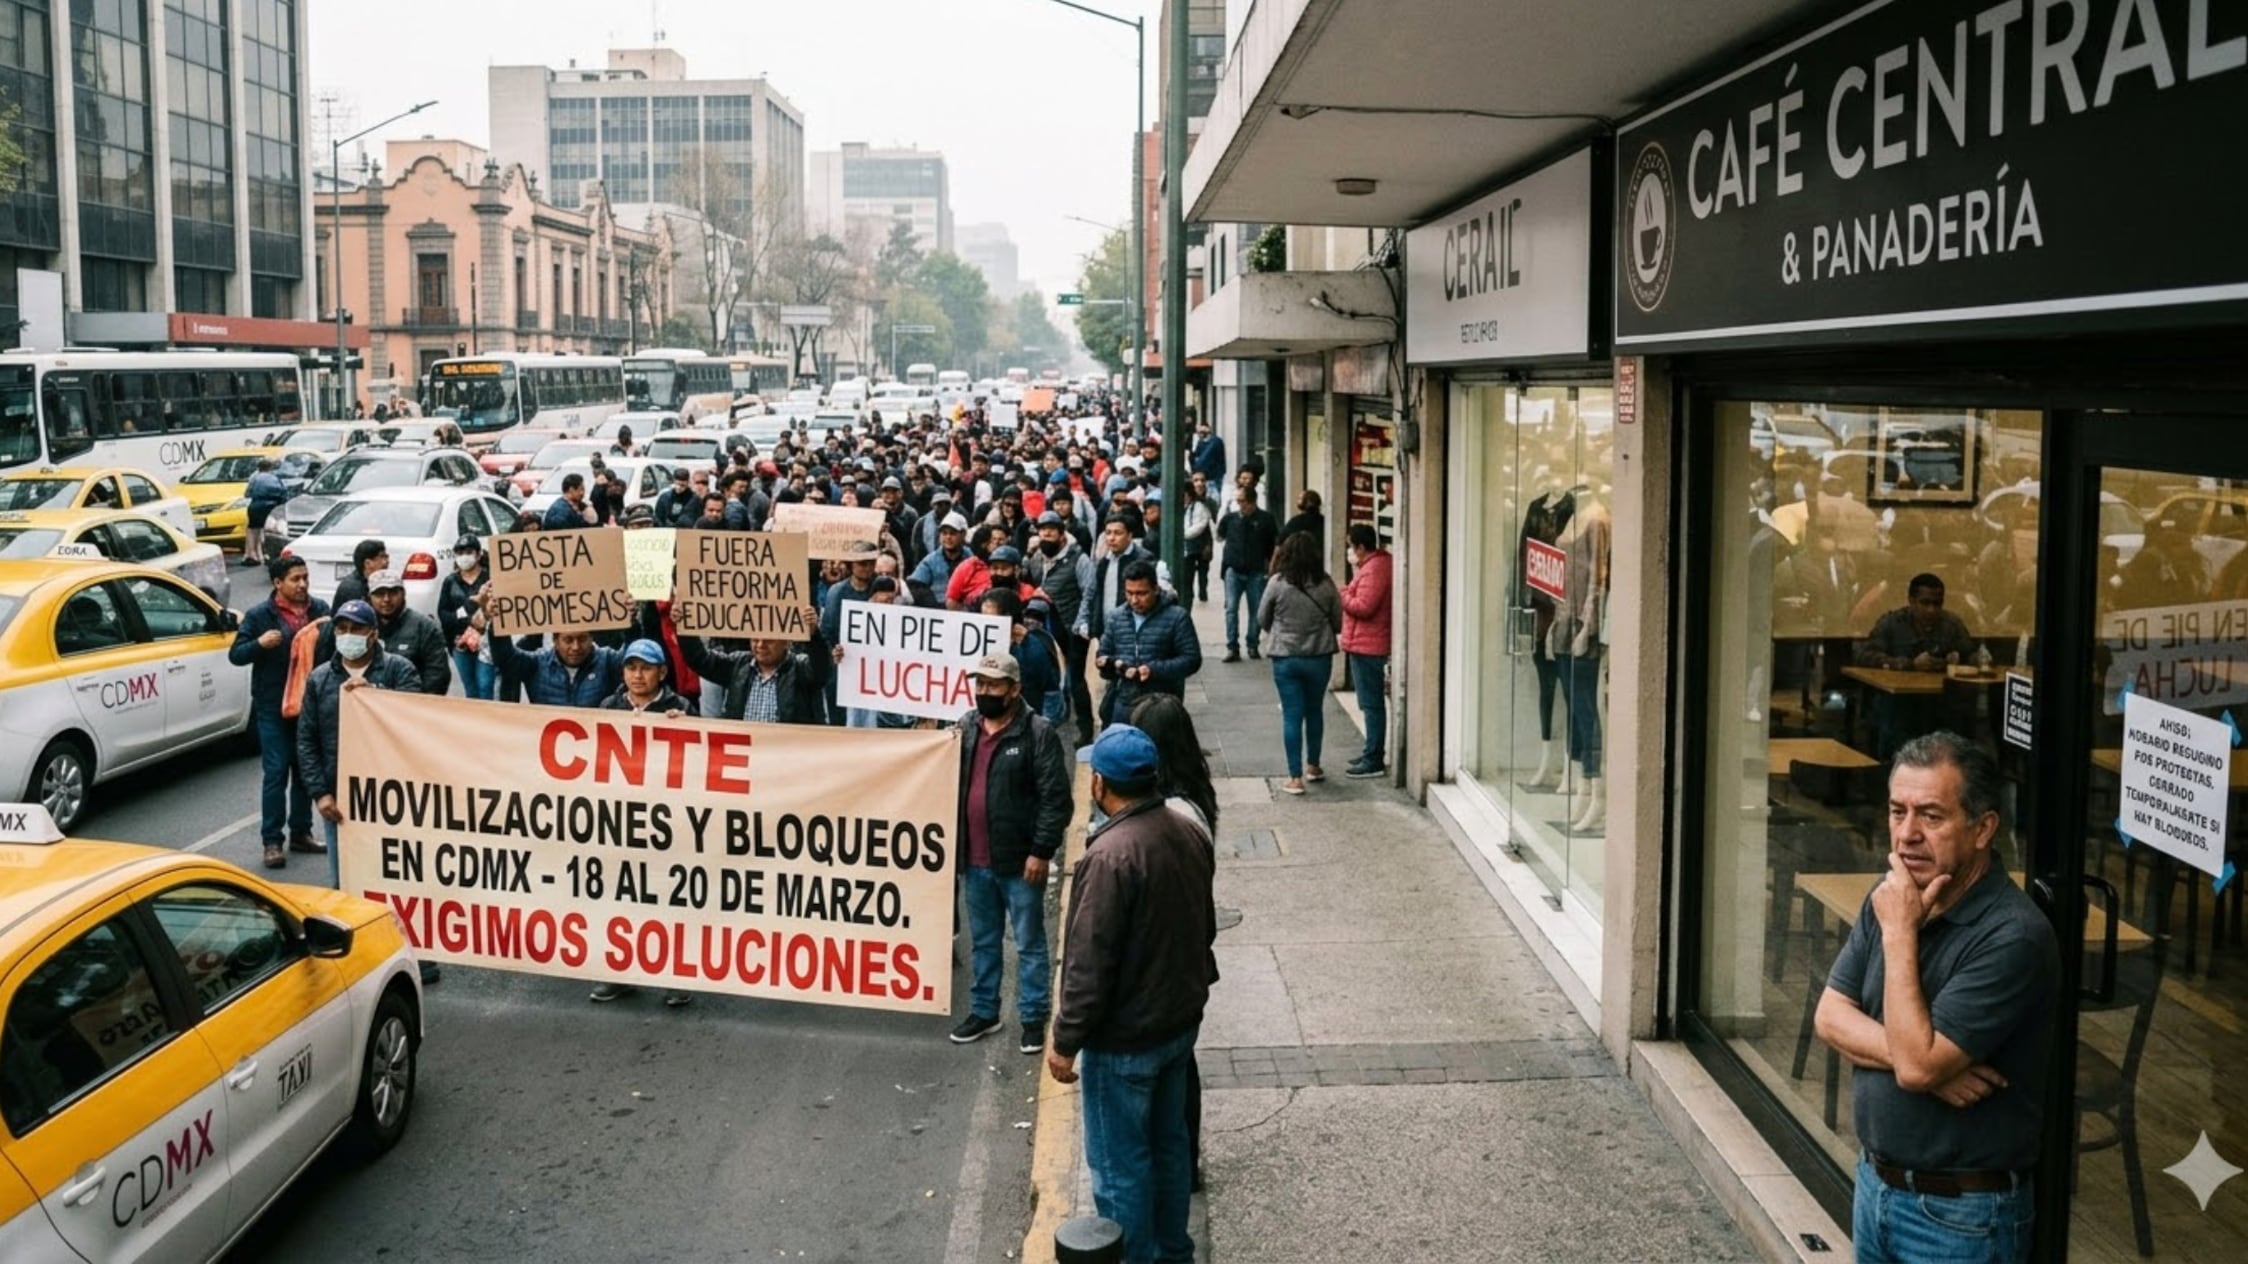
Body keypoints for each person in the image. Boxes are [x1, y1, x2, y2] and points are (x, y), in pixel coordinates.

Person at [1814, 732, 2058, 1264]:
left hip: (1961, 1218)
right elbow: (1830, 1017)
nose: (1906, 835)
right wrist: (1916, 1058)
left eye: (1931, 816)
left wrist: (1901, 935)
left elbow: (1919, 1069)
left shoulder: (2011, 935)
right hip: (1875, 1185)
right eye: (1897, 812)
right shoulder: (1894, 894)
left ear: (1983, 829)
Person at [1047, 725, 1217, 1264]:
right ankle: (1174, 1253)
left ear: (1101, 784)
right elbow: (1204, 926)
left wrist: (1065, 1040)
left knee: (1121, 1168)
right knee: (1168, 1151)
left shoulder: (1111, 855)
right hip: (1177, 1023)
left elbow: (1088, 962)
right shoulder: (1185, 829)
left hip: (1125, 1043)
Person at [951, 651, 1072, 1055]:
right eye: (980, 684)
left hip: (1020, 863)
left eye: (993, 685)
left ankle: (1034, 1019)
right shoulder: (967, 726)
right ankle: (985, 1011)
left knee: (1029, 944)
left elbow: (1056, 799)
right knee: (983, 942)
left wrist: (1040, 852)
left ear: (1014, 689)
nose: (984, 692)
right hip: (976, 860)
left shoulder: (1038, 733)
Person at [588, 639, 695, 1005]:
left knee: (667, 899)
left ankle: (675, 976)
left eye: (646, 668)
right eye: (631, 667)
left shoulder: (681, 708)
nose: (637, 675)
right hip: (621, 823)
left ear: (662, 672)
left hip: (666, 824)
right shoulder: (608, 707)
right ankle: (619, 972)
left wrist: (683, 731)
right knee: (620, 897)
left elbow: (698, 766)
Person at [295, 600, 422, 892]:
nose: (348, 634)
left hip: (392, 799)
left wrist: (376, 696)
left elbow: (415, 723)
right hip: (341, 801)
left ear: (373, 634)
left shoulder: (398, 670)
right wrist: (320, 793)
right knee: (346, 884)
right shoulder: (319, 679)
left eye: (357, 629)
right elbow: (306, 740)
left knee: (395, 883)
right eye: (342, 629)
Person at [230, 557, 329, 870]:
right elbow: (237, 654)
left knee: (305, 772)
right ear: (277, 583)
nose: (302, 585)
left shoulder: (319, 610)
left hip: (309, 706)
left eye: (305, 578)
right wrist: (259, 644)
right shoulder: (261, 616)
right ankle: (272, 841)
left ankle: (301, 832)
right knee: (276, 772)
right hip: (272, 706)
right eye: (295, 579)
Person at [1258, 531, 1343, 794]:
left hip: (1286, 657)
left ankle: (1295, 778)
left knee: (1292, 715)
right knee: (1314, 710)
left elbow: (1262, 619)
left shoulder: (1277, 583)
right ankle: (1314, 766)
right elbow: (1338, 622)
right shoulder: (1326, 584)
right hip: (1319, 656)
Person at [676, 606, 830, 724]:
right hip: (746, 757)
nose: (760, 645)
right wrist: (683, 625)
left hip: (786, 757)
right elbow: (699, 659)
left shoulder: (800, 668)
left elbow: (822, 669)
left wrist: (813, 634)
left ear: (786, 642)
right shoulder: (737, 665)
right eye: (755, 640)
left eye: (769, 641)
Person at [1095, 561, 1202, 728]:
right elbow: (1103, 654)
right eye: (1129, 593)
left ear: (1155, 589)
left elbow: (1191, 659)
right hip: (1123, 703)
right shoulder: (1116, 617)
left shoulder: (1177, 617)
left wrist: (1153, 670)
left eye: (1141, 593)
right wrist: (1114, 666)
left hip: (1160, 707)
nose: (1134, 600)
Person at [1339, 524, 1392, 778]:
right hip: (1363, 642)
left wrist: (1343, 596)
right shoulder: (1370, 567)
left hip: (1369, 645)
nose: (1350, 551)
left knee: (1371, 704)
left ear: (1361, 547)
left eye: (1351, 545)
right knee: (1369, 703)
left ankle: (1374, 758)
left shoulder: (1375, 569)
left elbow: (1364, 606)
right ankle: (1370, 750)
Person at [346, 569, 451, 695]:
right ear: (369, 597)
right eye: (379, 594)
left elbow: (437, 678)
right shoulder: (359, 627)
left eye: (393, 593)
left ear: (403, 593)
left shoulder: (425, 628)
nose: (386, 599)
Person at [1215, 485, 1279, 662]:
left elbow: (1273, 545)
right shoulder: (1230, 519)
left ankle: (1252, 644)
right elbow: (1220, 536)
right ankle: (1232, 646)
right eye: (1238, 501)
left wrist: (1270, 567)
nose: (1240, 505)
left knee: (1256, 610)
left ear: (1252, 502)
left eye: (1243, 501)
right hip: (1233, 570)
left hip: (1256, 571)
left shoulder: (1266, 519)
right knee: (1231, 609)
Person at [490, 629, 627, 707]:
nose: (576, 647)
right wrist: (495, 624)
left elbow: (631, 659)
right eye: (568, 640)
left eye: (582, 639)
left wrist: (631, 625)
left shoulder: (607, 660)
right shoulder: (538, 662)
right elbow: (506, 660)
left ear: (592, 638)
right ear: (555, 640)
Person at [439, 536, 495, 700]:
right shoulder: (450, 582)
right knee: (470, 688)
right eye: (460, 552)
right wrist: (467, 616)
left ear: (478, 555)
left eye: (469, 552)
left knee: (485, 685)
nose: (464, 556)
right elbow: (444, 615)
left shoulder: (490, 579)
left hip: (487, 643)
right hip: (460, 644)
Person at [243, 458, 288, 567]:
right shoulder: (275, 478)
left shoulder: (254, 478)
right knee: (268, 530)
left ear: (259, 468)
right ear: (270, 467)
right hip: (271, 507)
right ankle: (265, 554)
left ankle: (252, 554)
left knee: (252, 529)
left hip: (256, 506)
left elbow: (247, 493)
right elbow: (283, 493)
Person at [334, 539, 389, 610]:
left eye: (387, 557)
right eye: (383, 557)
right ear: (368, 563)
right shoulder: (353, 589)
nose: (387, 562)